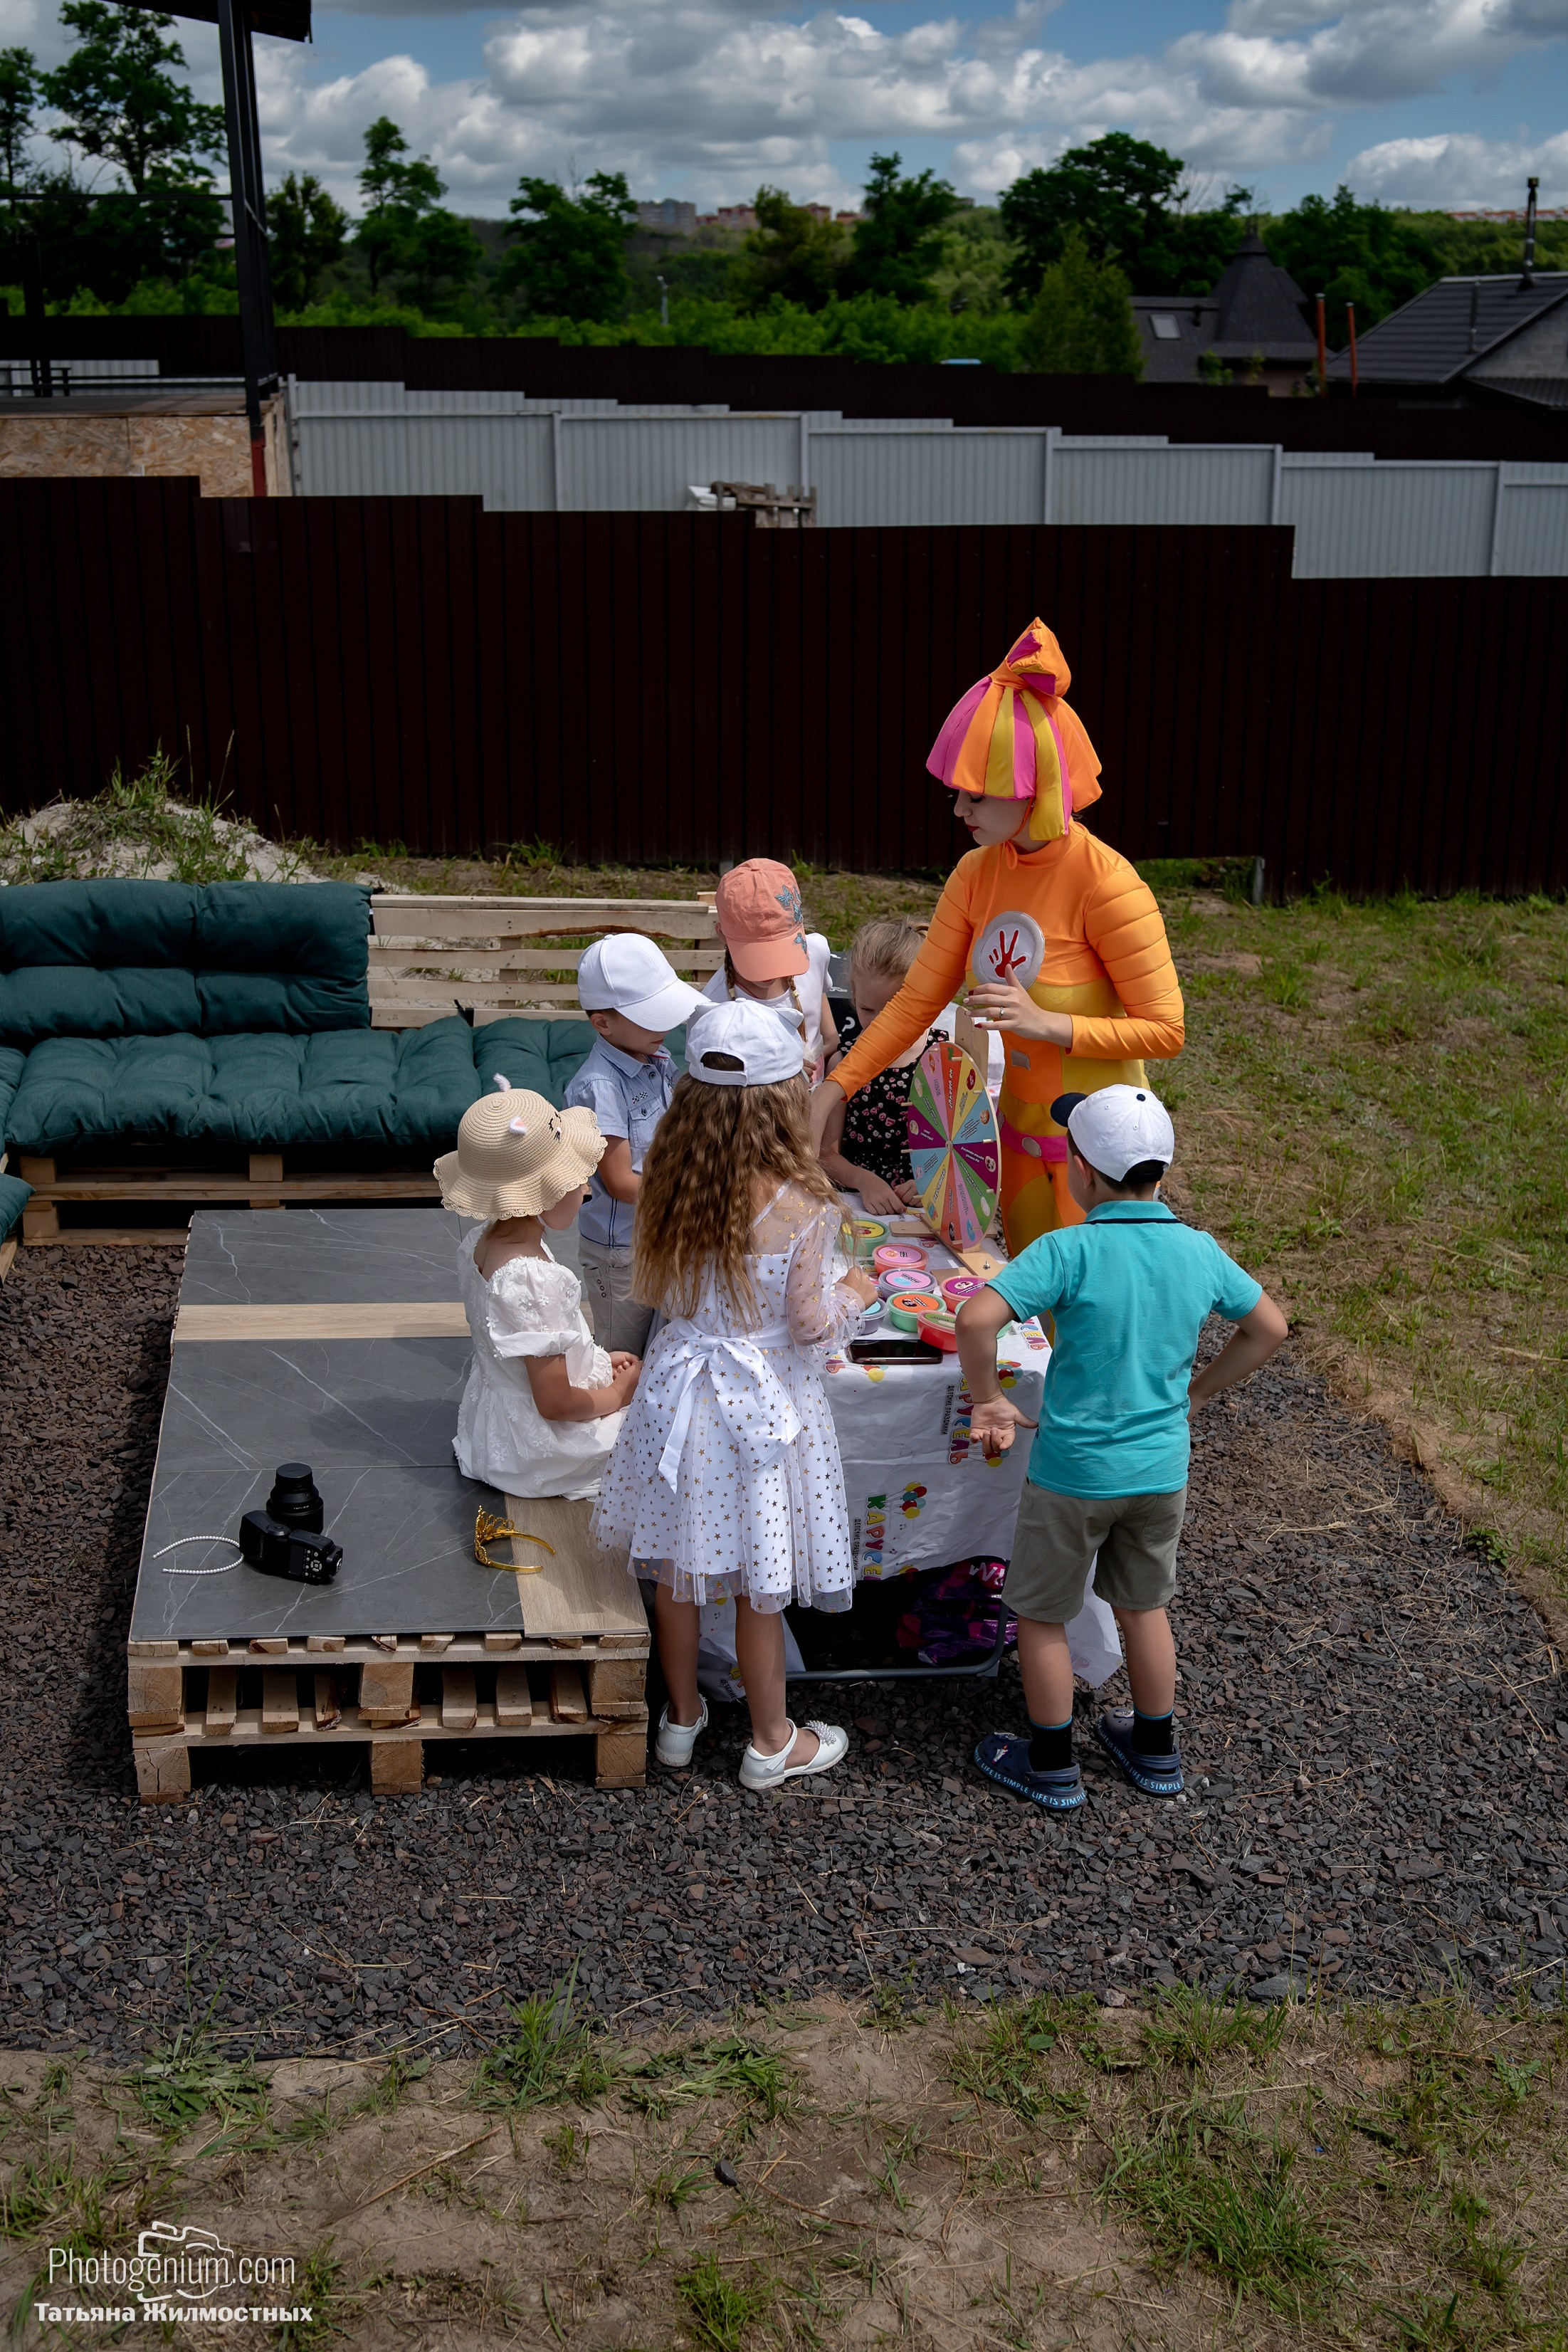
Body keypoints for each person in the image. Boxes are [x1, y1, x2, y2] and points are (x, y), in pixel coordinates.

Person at [954, 1085, 1287, 1812]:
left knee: (1042, 1614)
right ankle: (1154, 1751)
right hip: (1159, 1469)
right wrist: (1196, 1394)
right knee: (1144, 1607)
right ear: (1160, 1169)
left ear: (1078, 1168)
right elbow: (1268, 1328)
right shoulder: (1197, 1250)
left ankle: (1049, 1763)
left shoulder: (1068, 1249)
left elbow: (976, 1319)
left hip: (1073, 1473)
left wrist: (988, 1397)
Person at [811, 619, 1184, 1256]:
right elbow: (913, 1004)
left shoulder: (1108, 885)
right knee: (1033, 1316)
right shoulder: (976, 873)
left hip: (1099, 1162)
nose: (958, 810)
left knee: (1086, 1320)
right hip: (1012, 1138)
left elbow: (1165, 1030)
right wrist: (834, 1088)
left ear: (1032, 791)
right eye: (958, 792)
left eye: (976, 796)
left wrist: (1049, 1024)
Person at [594, 997, 878, 1787]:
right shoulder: (804, 1204)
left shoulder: (667, 1181)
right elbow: (813, 1325)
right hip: (759, 1412)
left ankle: (679, 1720)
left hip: (678, 1397)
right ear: (787, 1097)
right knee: (759, 1587)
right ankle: (769, 1740)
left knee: (677, 1576)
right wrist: (859, 1287)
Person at [436, 1080, 641, 1499]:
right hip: (543, 1446)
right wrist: (618, 1393)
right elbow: (555, 1403)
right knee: (675, 1427)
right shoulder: (530, 1275)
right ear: (540, 1191)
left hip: (495, 1428)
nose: (586, 1190)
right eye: (577, 1179)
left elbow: (523, 1352)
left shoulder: (481, 1241)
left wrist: (595, 1360)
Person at [565, 935, 708, 1355]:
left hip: (658, 1236)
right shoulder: (600, 1086)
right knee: (622, 1353)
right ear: (602, 1023)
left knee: (661, 1342)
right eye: (649, 1017)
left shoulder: (658, 1059)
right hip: (620, 1254)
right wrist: (691, 1196)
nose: (663, 1028)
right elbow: (621, 1181)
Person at [819, 917, 946, 1217]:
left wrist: (932, 1178)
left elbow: (965, 1145)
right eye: (867, 1009)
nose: (878, 1024)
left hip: (927, 1211)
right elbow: (825, 1153)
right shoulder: (843, 1062)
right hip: (861, 1210)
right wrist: (864, 1181)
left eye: (892, 1011)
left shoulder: (943, 1060)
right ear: (853, 995)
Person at [702, 859, 838, 1081]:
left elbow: (826, 1029)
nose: (770, 971)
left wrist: (828, 1048)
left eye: (780, 951)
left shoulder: (816, 954)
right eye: (757, 956)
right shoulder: (714, 1005)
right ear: (722, 934)